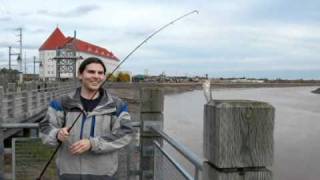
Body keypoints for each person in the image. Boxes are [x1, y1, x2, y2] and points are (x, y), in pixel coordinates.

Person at [39, 57, 133, 180]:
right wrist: (57, 134)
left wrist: (92, 143)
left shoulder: (117, 105)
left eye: (100, 73)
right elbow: (44, 128)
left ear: (104, 77)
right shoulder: (61, 102)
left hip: (104, 174)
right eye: (91, 72)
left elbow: (125, 134)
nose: (96, 76)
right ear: (80, 75)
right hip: (68, 173)